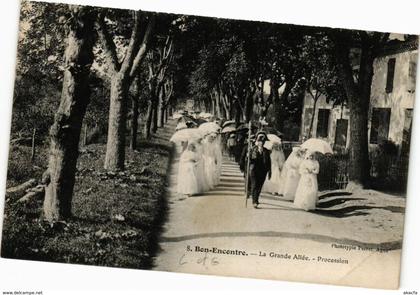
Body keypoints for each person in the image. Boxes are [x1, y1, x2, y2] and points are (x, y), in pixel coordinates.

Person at [248, 132, 271, 208]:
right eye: (260, 141)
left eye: (263, 142)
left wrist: (269, 171)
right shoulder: (252, 149)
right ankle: (254, 201)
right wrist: (248, 156)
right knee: (254, 185)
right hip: (254, 170)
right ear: (257, 141)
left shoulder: (266, 151)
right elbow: (250, 160)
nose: (261, 143)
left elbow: (269, 162)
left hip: (263, 171)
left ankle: (256, 198)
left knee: (259, 186)